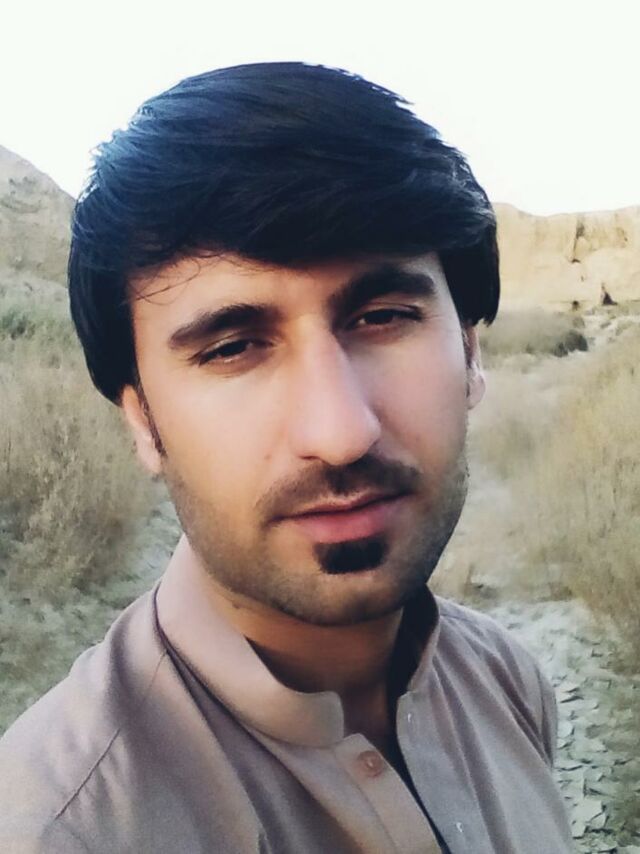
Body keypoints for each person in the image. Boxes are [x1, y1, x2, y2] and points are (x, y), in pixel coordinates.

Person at [0, 62, 572, 853]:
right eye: (233, 348)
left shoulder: (507, 682)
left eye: (382, 316)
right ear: (144, 422)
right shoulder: (59, 829)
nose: (341, 433)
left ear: (471, 355)